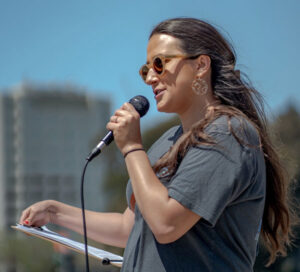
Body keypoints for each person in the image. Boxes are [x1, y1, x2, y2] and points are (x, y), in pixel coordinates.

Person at [19, 18, 295, 272]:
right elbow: (131, 226)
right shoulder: (167, 141)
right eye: (145, 69)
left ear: (200, 65)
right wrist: (56, 212)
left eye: (160, 64)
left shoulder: (229, 134)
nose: (151, 77)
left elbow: (166, 224)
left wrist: (131, 148)